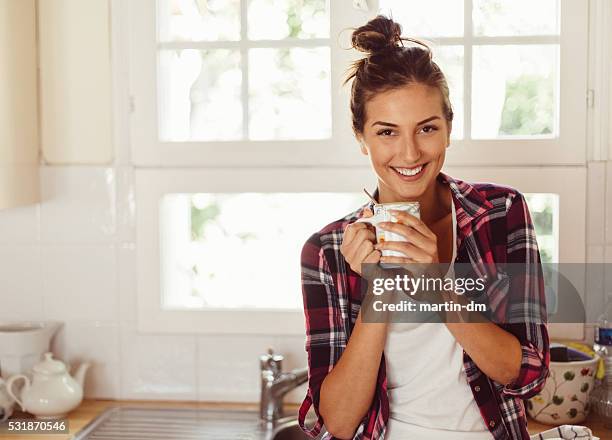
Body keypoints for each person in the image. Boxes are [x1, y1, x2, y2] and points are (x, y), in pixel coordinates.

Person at [297, 15, 550, 440]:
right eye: (387, 132)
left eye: (427, 128)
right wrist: (377, 289)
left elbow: (529, 374)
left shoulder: (501, 214)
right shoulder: (327, 251)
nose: (409, 152)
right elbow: (336, 424)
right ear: (361, 137)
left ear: (449, 127)